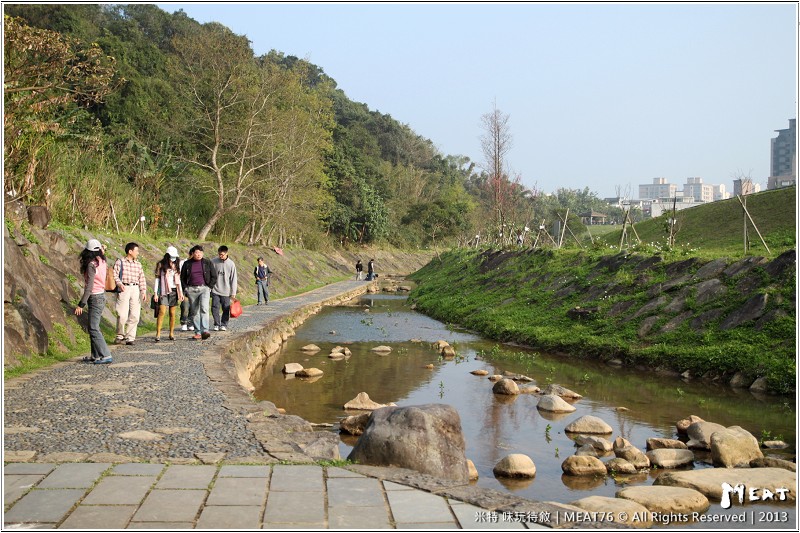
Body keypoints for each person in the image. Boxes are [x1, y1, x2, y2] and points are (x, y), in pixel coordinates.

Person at [74, 239, 114, 364]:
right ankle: (95, 355)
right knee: (92, 327)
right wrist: (102, 249)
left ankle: (106, 354)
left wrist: (81, 304)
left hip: (95, 297)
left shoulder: (91, 265)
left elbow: (89, 287)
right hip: (100, 296)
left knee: (94, 328)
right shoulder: (102, 261)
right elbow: (101, 251)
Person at [112, 242, 146, 346]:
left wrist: (143, 291)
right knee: (122, 314)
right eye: (136, 251)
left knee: (135, 314)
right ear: (130, 251)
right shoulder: (120, 262)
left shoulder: (138, 264)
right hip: (124, 288)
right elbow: (115, 275)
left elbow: (142, 278)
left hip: (135, 288)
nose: (138, 253)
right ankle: (120, 335)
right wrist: (119, 284)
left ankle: (130, 337)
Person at [180, 245, 217, 340]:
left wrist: (209, 287)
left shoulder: (207, 262)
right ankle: (198, 332)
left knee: (204, 308)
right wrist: (186, 288)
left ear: (203, 253)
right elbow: (182, 277)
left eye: (200, 252)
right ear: (193, 254)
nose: (198, 254)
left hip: (204, 288)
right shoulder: (187, 264)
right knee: (194, 311)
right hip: (191, 289)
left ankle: (205, 330)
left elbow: (214, 276)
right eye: (196, 252)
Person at [152, 246, 184, 342]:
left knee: (172, 313)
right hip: (163, 291)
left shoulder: (177, 265)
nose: (173, 258)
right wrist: (155, 293)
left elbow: (179, 281)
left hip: (174, 290)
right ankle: (158, 334)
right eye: (172, 256)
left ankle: (171, 333)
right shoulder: (161, 265)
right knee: (162, 312)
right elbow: (157, 279)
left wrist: (181, 293)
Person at [211, 245, 238, 331]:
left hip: (226, 291)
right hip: (215, 289)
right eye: (219, 254)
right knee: (215, 307)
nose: (220, 256)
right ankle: (216, 323)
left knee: (226, 308)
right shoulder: (213, 262)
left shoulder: (231, 264)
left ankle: (223, 324)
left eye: (222, 254)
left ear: (227, 253)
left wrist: (233, 292)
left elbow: (234, 279)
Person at [179, 248, 193, 331]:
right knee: (185, 305)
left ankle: (190, 322)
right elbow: (180, 277)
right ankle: (183, 322)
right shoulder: (183, 263)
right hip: (185, 288)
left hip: (194, 288)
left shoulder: (198, 263)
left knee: (193, 306)